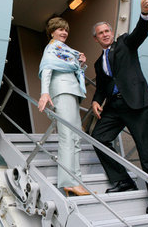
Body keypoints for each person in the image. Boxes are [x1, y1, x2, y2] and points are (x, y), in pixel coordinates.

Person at [90, 0, 148, 214]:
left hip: (136, 104)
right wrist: (96, 101)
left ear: (111, 33)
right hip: (114, 107)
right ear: (96, 38)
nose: (105, 34)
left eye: (107, 31)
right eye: (100, 33)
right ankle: (123, 180)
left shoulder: (124, 43)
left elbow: (140, 33)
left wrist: (144, 14)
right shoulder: (98, 62)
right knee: (98, 138)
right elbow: (102, 87)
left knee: (147, 152)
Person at [38, 17, 90, 196]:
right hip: (61, 91)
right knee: (68, 136)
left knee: (75, 137)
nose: (64, 32)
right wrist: (44, 93)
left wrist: (80, 64)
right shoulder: (52, 48)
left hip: (71, 91)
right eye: (60, 29)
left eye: (66, 30)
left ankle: (76, 182)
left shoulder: (66, 51)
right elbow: (47, 69)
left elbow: (72, 70)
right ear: (51, 32)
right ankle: (68, 181)